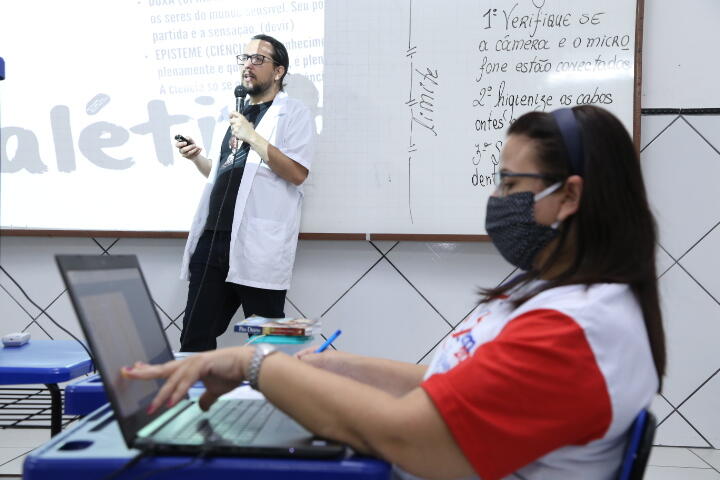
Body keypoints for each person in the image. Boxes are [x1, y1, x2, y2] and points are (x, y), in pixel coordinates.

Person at [125, 105, 665, 480]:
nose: (498, 199)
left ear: (569, 196)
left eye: (511, 184)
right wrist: (311, 370)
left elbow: (410, 437)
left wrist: (258, 366)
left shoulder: (574, 330)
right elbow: (440, 385)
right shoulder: (561, 297)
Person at [175, 34, 315, 352]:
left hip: (257, 244)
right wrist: (198, 157)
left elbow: (297, 172)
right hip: (212, 240)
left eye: (258, 59)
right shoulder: (233, 115)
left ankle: (268, 400)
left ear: (278, 71)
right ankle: (197, 401)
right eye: (245, 58)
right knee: (194, 339)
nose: (247, 65)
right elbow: (224, 174)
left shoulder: (294, 114)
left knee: (267, 346)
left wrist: (252, 136)